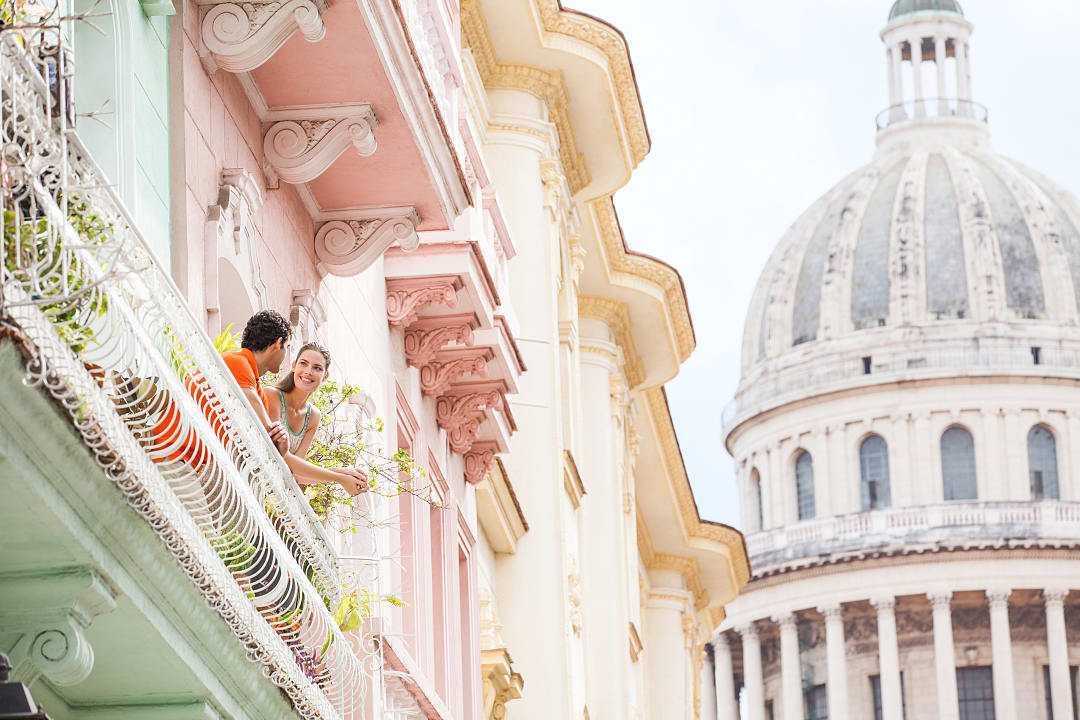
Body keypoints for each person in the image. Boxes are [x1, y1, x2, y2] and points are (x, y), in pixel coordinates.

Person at [224, 311, 366, 496]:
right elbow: (275, 449)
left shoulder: (312, 416)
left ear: (325, 376)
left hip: (242, 480)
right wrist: (339, 477)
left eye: (317, 368)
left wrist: (343, 474)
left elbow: (295, 472)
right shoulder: (263, 390)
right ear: (279, 345)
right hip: (232, 471)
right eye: (303, 363)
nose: (308, 372)